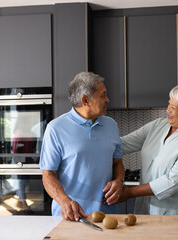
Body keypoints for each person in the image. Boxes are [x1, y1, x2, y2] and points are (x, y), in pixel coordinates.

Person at [109, 80, 178, 215]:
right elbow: (123, 144)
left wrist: (128, 193)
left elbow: (172, 181)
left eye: (174, 107)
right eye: (169, 104)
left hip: (175, 213)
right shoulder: (159, 125)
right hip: (145, 207)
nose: (168, 110)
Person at [40, 72, 125, 220]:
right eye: (103, 95)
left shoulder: (111, 125)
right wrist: (65, 202)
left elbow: (117, 163)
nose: (107, 99)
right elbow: (48, 175)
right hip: (71, 216)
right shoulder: (56, 128)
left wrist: (119, 181)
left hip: (109, 215)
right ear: (85, 100)